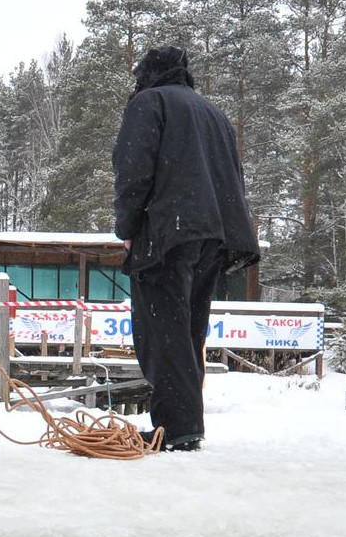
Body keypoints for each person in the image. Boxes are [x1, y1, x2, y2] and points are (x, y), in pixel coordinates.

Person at [110, 48, 260, 451]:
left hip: (168, 232)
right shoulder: (213, 113)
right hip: (214, 235)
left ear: (148, 74)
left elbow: (132, 168)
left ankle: (176, 427)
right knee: (189, 328)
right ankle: (184, 423)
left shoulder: (149, 102)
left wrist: (127, 227)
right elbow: (233, 177)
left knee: (162, 330)